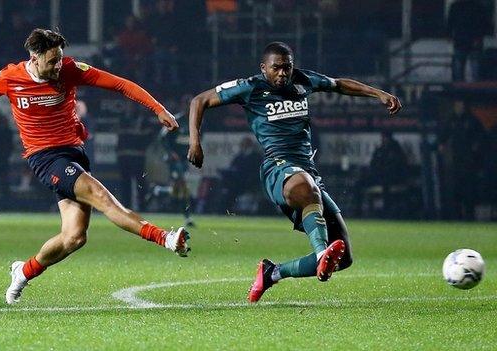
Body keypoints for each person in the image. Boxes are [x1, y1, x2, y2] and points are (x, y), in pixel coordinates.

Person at [0, 28, 190, 305]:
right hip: (45, 158)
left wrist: (158, 108)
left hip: (74, 155)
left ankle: (24, 271)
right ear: (34, 57)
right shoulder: (11, 77)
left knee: (74, 238)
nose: (58, 66)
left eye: (60, 58)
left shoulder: (70, 69)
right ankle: (164, 237)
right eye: (52, 60)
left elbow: (119, 83)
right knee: (101, 196)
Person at [187, 42, 401, 302]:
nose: (282, 73)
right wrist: (195, 142)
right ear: (263, 68)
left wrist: (378, 94)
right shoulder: (250, 87)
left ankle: (272, 273)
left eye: (286, 67)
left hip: (307, 172)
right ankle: (322, 253)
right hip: (278, 168)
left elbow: (339, 84)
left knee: (344, 258)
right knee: (307, 189)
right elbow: (200, 100)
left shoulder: (303, 80)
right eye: (276, 68)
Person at [154, 95, 195, 227]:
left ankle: (159, 191)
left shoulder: (195, 121)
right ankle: (188, 218)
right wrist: (171, 153)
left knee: (177, 190)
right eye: (188, 104)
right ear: (183, 105)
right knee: (183, 186)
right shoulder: (176, 120)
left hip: (185, 159)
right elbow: (162, 138)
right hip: (175, 159)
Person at [447, 0, 492, 82]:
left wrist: (449, 35)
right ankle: (474, 87)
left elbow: (450, 22)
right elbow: (485, 24)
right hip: (469, 40)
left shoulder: (456, 6)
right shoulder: (479, 7)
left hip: (463, 39)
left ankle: (460, 87)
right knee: (473, 67)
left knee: (461, 66)